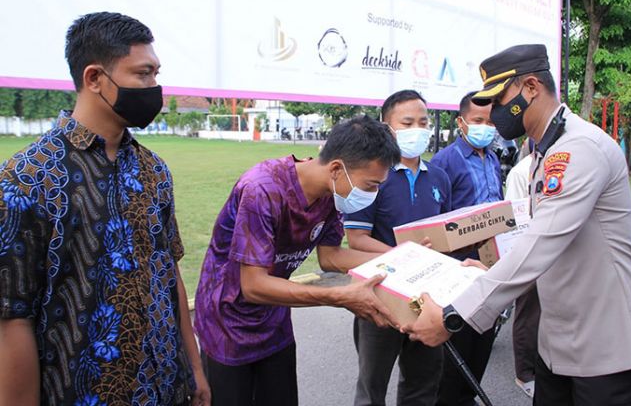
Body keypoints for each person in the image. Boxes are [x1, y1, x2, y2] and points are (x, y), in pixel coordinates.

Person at [403, 44, 631, 406]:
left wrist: (453, 316)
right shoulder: (544, 150)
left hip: (607, 347)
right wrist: (488, 269)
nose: (493, 112)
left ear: (531, 88)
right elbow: (541, 236)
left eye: (499, 98)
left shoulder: (579, 149)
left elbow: (542, 242)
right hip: (559, 343)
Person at [0, 12, 210, 405]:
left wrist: (195, 369)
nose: (154, 87)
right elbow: (12, 318)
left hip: (168, 390)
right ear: (94, 78)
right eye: (143, 74)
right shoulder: (26, 180)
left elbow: (169, 272)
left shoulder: (154, 171)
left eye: (156, 74)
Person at [194, 115, 402, 406]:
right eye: (370, 185)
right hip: (228, 324)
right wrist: (339, 296)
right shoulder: (263, 189)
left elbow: (331, 257)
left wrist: (401, 257)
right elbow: (252, 286)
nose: (373, 194)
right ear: (336, 169)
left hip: (274, 318)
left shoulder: (332, 193)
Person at [343, 90, 451, 406]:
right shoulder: (371, 176)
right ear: (386, 127)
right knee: (371, 388)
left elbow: (444, 233)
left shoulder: (440, 177)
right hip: (380, 297)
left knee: (422, 384)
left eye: (422, 122)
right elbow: (357, 239)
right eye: (407, 122)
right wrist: (407, 255)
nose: (417, 129)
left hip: (429, 297)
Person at [429, 92, 499, 406]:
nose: (486, 127)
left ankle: (466, 397)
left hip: (491, 266)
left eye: (490, 121)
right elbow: (436, 219)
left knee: (482, 341)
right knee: (457, 346)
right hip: (457, 268)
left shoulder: (494, 158)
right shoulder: (445, 161)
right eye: (478, 121)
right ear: (461, 122)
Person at [504, 138, 540, 399]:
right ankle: (525, 373)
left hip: (558, 252)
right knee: (528, 312)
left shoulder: (565, 165)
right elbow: (514, 216)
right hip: (529, 249)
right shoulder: (521, 171)